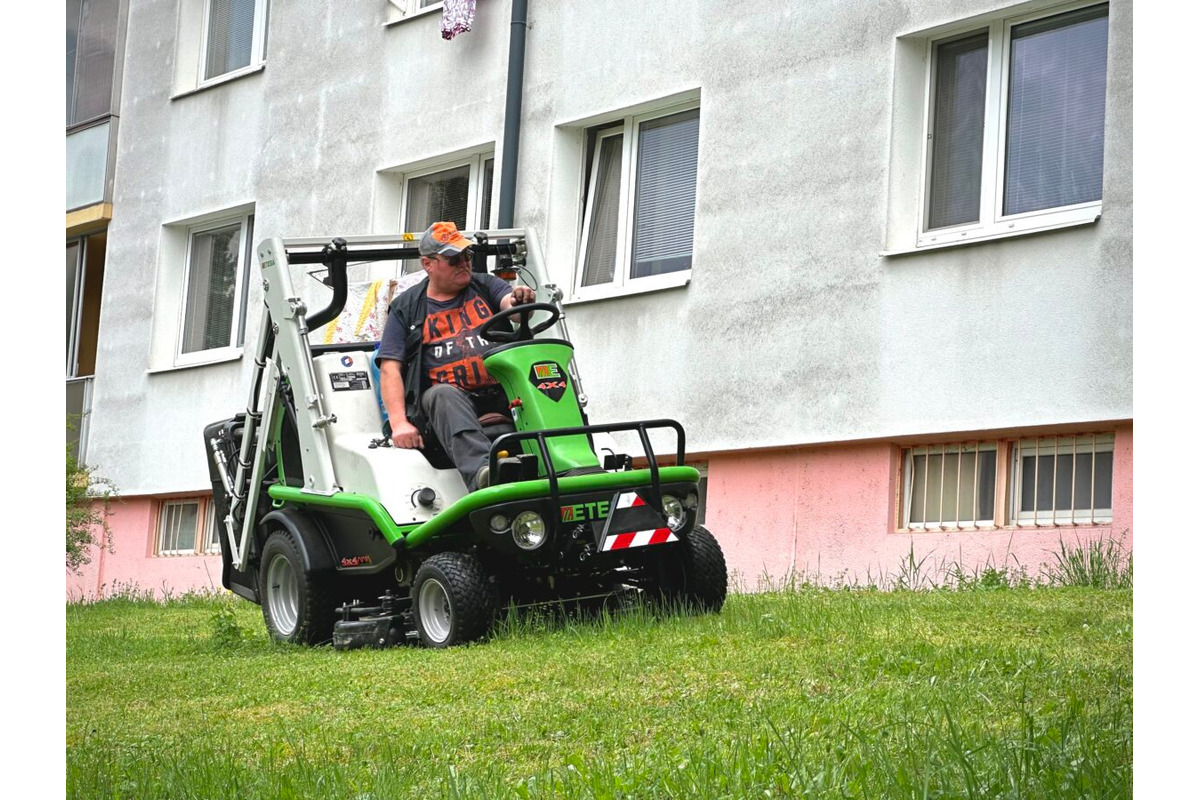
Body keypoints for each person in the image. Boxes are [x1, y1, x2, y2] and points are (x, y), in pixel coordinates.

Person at [375, 221, 536, 491]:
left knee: (545, 375)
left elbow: (515, 309)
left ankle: (571, 463)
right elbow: (390, 368)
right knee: (443, 394)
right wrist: (399, 423)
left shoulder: (486, 286)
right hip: (445, 405)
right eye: (453, 258)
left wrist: (521, 300)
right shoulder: (407, 307)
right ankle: (485, 474)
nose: (464, 263)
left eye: (467, 255)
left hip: (502, 392)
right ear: (428, 264)